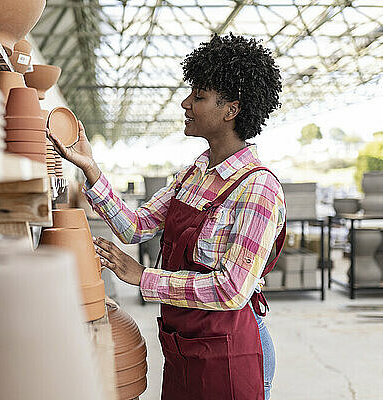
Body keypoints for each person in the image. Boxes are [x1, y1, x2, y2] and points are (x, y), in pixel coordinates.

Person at [49, 33, 286, 400]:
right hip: (184, 344)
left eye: (199, 96)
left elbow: (230, 290)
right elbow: (135, 227)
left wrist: (144, 277)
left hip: (229, 351)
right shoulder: (194, 175)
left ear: (231, 110)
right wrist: (90, 168)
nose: (185, 103)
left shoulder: (258, 189)